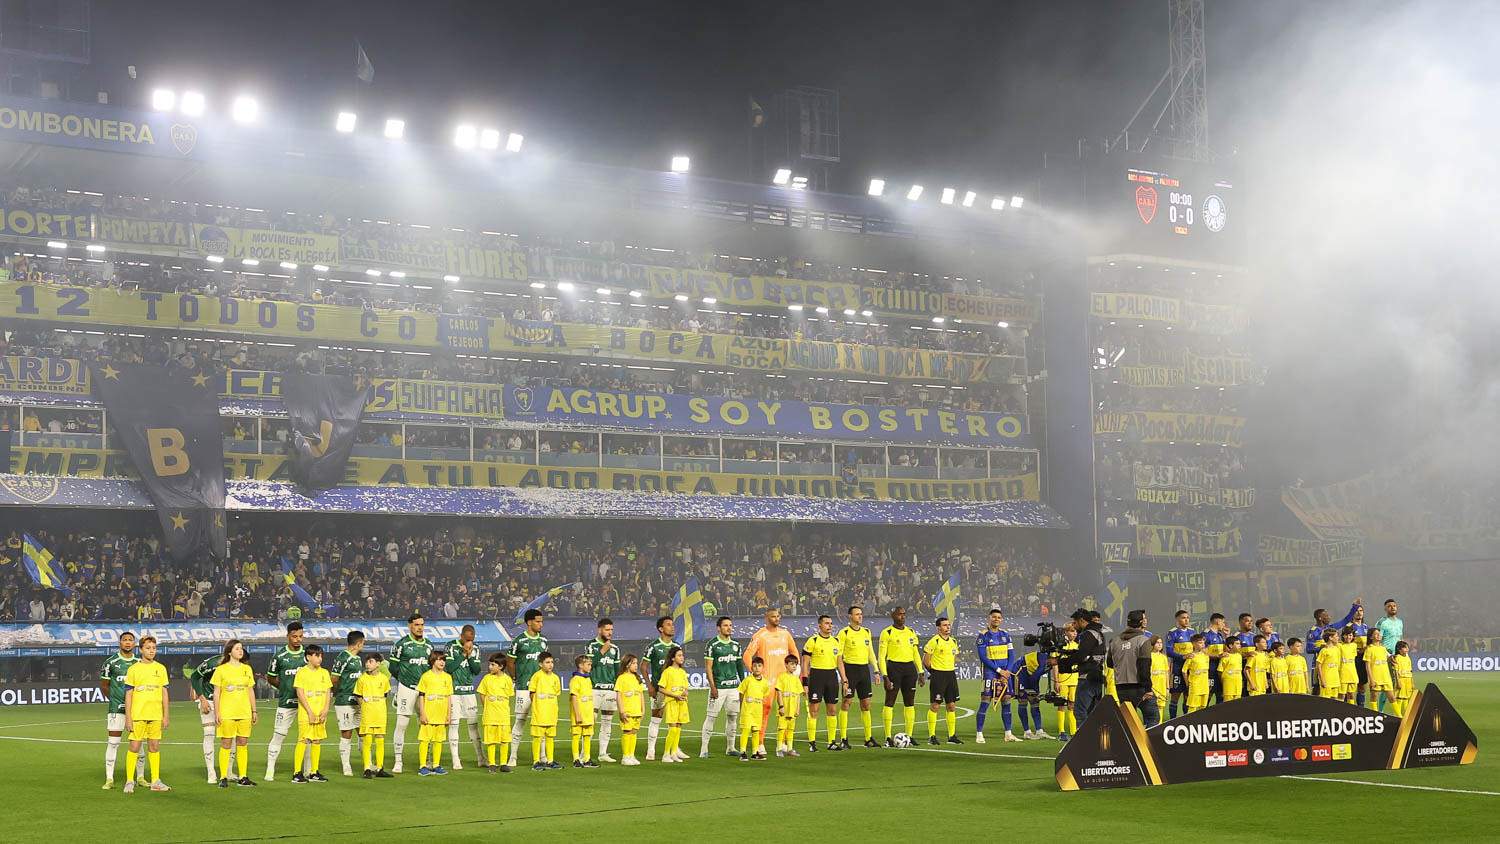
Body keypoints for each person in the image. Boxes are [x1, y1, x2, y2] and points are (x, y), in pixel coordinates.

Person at [743, 608, 798, 755]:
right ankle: (760, 743)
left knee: (786, 711)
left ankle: (784, 743)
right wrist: (754, 672)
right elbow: (747, 655)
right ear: (766, 617)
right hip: (767, 682)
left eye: (778, 616)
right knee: (764, 711)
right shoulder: (760, 635)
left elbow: (794, 653)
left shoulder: (785, 634)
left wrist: (795, 670)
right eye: (773, 616)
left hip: (784, 681)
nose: (777, 618)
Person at [122, 635, 171, 793]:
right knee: (134, 746)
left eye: (154, 648)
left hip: (156, 715)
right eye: (148, 648)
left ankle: (156, 781)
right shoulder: (133, 669)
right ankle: (130, 781)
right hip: (138, 715)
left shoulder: (161, 668)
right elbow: (128, 694)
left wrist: (166, 715)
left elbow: (164, 693)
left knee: (154, 746)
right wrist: (128, 717)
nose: (151, 651)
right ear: (141, 649)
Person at [389, 613, 434, 774]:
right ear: (409, 625)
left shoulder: (429, 645)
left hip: (424, 690)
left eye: (422, 624)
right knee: (402, 724)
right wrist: (402, 681)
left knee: (426, 724)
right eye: (416, 624)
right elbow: (393, 667)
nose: (420, 627)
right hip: (407, 688)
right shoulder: (401, 644)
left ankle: (427, 759)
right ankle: (398, 760)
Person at [210, 638, 257, 787]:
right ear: (229, 652)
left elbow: (250, 690)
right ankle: (223, 776)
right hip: (227, 712)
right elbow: (216, 693)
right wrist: (217, 712)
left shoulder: (247, 669)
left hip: (244, 712)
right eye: (237, 648)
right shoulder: (221, 670)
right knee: (226, 743)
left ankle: (243, 776)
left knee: (243, 743)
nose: (240, 651)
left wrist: (254, 710)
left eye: (241, 648)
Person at [264, 621, 307, 781]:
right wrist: (284, 688)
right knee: (279, 735)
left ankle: (309, 771)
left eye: (301, 636)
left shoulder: (307, 655)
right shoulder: (279, 656)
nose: (298, 639)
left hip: (306, 705)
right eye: (294, 636)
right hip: (286, 703)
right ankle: (270, 769)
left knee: (306, 738)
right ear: (288, 636)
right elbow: (271, 677)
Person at [506, 609, 549, 769]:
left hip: (541, 690)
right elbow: (510, 661)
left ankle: (543, 756)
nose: (541, 624)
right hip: (524, 687)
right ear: (529, 622)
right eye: (538, 621)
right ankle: (513, 756)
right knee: (520, 721)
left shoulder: (544, 640)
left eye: (541, 621)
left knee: (542, 722)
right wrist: (516, 678)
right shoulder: (519, 641)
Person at [877, 606, 924, 746]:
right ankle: (887, 737)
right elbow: (881, 656)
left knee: (910, 703)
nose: (902, 617)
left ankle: (909, 735)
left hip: (909, 669)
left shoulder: (911, 632)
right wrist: (885, 676)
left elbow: (915, 653)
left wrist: (920, 671)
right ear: (893, 615)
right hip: (893, 668)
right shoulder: (887, 632)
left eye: (904, 614)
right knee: (890, 701)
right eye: (899, 614)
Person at [100, 630, 140, 790]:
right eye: (125, 640)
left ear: (135, 644)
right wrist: (115, 700)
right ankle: (109, 778)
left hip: (137, 710)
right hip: (117, 709)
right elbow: (104, 686)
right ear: (120, 643)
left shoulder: (139, 663)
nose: (128, 642)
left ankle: (141, 777)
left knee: (139, 745)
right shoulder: (110, 662)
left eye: (131, 640)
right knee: (113, 742)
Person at [700, 616, 745, 757]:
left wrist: (743, 685)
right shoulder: (712, 645)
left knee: (733, 717)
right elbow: (708, 668)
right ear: (718, 628)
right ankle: (704, 750)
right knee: (711, 717)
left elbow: (739, 667)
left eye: (730, 625)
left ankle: (730, 748)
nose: (729, 628)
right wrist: (712, 687)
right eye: (726, 625)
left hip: (733, 688)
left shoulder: (736, 645)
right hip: (718, 687)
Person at [1107, 609, 1158, 728]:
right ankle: (1147, 745)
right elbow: (1144, 667)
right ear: (1142, 622)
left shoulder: (1114, 641)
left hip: (1120, 688)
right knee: (1152, 717)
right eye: (1144, 619)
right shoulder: (1143, 640)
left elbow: (1110, 663)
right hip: (1139, 687)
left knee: (1128, 721)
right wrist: (1148, 688)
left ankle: (1130, 745)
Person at [803, 614, 846, 752]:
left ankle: (831, 742)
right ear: (820, 625)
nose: (830, 626)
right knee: (814, 709)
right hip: (817, 676)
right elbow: (805, 664)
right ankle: (812, 742)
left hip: (832, 676)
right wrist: (805, 682)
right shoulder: (813, 641)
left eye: (831, 623)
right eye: (827, 623)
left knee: (832, 710)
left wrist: (844, 679)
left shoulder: (836, 641)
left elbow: (840, 662)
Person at [291, 643, 332, 784]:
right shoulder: (302, 672)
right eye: (317, 655)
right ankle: (297, 772)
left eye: (321, 655)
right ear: (309, 657)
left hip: (320, 712)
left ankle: (314, 772)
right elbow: (300, 692)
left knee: (317, 740)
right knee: (303, 739)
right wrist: (309, 711)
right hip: (307, 713)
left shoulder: (324, 673)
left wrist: (326, 709)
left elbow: (328, 691)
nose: (320, 658)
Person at [837, 605, 877, 748]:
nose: (860, 616)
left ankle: (868, 738)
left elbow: (870, 652)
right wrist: (844, 678)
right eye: (857, 614)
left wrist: (876, 671)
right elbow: (839, 656)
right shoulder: (844, 633)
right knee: (847, 703)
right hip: (850, 670)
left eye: (861, 614)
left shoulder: (866, 632)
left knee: (866, 704)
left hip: (864, 670)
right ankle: (843, 738)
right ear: (850, 616)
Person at [445, 624, 485, 769]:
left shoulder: (476, 649)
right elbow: (449, 668)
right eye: (467, 639)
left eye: (472, 639)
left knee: (473, 726)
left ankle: (481, 758)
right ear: (461, 636)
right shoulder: (450, 647)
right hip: (454, 692)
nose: (469, 642)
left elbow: (476, 670)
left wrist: (469, 655)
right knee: (454, 725)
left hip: (469, 692)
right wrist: (462, 654)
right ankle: (456, 760)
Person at [584, 618, 622, 762]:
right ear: (599, 630)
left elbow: (617, 671)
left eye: (611, 630)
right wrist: (602, 651)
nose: (610, 632)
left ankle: (602, 754)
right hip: (594, 689)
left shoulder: (615, 649)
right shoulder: (591, 645)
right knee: (590, 722)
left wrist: (616, 688)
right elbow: (588, 666)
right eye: (607, 629)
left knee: (607, 722)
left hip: (610, 690)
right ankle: (584, 754)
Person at [975, 607, 1014, 744]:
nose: (996, 619)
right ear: (989, 618)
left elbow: (1012, 655)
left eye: (999, 617)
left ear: (1001, 620)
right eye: (994, 617)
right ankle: (979, 733)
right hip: (990, 673)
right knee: (985, 701)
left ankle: (1008, 733)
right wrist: (999, 671)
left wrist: (1007, 672)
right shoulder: (983, 635)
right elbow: (983, 657)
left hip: (1005, 673)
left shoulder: (1006, 635)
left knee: (1007, 701)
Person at [329, 630, 365, 777]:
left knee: (363, 732)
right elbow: (334, 678)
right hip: (344, 701)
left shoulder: (357, 659)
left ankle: (368, 763)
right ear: (359, 643)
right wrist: (338, 693)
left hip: (358, 701)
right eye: (363, 642)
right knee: (347, 733)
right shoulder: (343, 657)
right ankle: (346, 765)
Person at [189, 641, 226, 784]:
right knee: (209, 734)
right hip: (209, 703)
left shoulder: (239, 667)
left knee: (230, 737)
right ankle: (211, 772)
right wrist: (202, 698)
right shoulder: (213, 662)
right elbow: (194, 676)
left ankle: (227, 771)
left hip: (227, 704)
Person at [1306, 600, 1361, 695]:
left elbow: (1345, 620)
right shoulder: (1313, 632)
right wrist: (1323, 647)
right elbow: (1308, 649)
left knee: (1336, 690)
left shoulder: (1330, 628)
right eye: (1326, 616)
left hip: (1333, 664)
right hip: (1320, 663)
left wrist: (1355, 607)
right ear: (1320, 618)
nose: (1329, 617)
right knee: (1317, 687)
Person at [642, 615, 677, 761]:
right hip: (659, 689)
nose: (672, 626)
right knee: (656, 718)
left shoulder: (676, 647)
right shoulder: (653, 647)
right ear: (661, 629)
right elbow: (643, 667)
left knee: (675, 721)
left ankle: (673, 751)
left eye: (672, 624)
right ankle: (651, 750)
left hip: (675, 691)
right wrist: (650, 686)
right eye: (668, 624)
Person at [923, 616, 962, 745]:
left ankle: (952, 736)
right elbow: (926, 661)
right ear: (938, 628)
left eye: (948, 625)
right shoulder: (934, 641)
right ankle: (932, 736)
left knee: (951, 706)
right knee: (935, 705)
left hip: (950, 675)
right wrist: (934, 673)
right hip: (938, 676)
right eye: (945, 625)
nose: (947, 627)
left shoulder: (953, 641)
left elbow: (955, 657)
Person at [353, 652, 393, 778]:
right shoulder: (362, 679)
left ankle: (380, 768)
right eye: (367, 662)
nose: (367, 664)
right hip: (368, 714)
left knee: (380, 738)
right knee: (367, 739)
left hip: (380, 713)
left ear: (378, 664)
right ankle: (367, 768)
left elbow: (385, 695)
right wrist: (364, 707)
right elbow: (358, 696)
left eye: (370, 662)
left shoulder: (384, 679)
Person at [415, 651, 453, 776]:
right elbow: (421, 696)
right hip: (429, 714)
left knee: (439, 740)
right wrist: (422, 713)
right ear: (433, 661)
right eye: (439, 659)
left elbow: (448, 697)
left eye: (443, 660)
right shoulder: (426, 676)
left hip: (441, 714)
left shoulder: (447, 677)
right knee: (425, 740)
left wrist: (449, 715)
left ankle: (436, 765)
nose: (442, 662)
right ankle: (422, 766)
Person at [476, 653, 515, 773]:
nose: (490, 667)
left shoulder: (507, 679)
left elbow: (509, 695)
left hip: (503, 715)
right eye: (490, 664)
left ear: (501, 666)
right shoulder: (487, 678)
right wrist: (487, 706)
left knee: (504, 740)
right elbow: (482, 694)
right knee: (491, 740)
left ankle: (503, 763)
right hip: (490, 715)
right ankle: (492, 763)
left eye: (493, 665)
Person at [527, 650, 563, 770]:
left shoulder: (556, 678)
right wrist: (537, 706)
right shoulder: (537, 676)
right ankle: (536, 761)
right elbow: (532, 693)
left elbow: (556, 693)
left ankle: (550, 760)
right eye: (547, 662)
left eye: (552, 662)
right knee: (537, 737)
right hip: (540, 713)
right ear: (540, 664)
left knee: (550, 737)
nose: (550, 665)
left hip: (551, 713)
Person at [659, 646, 691, 763]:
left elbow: (686, 687)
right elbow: (661, 688)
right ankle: (666, 754)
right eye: (679, 655)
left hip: (682, 703)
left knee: (678, 727)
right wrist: (674, 695)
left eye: (682, 655)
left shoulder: (682, 672)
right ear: (673, 658)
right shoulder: (667, 672)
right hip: (672, 702)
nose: (682, 657)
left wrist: (685, 693)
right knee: (672, 728)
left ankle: (673, 753)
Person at [736, 656, 771, 760]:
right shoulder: (748, 680)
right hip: (747, 710)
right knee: (746, 730)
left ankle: (755, 752)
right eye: (755, 666)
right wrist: (742, 705)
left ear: (763, 668)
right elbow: (741, 692)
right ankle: (742, 752)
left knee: (756, 731)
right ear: (751, 667)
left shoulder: (765, 682)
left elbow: (765, 694)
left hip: (757, 710)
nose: (757, 668)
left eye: (759, 666)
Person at [1164, 610, 1195, 720]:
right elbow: (1169, 651)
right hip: (1177, 668)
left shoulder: (1192, 632)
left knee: (1188, 695)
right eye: (1183, 618)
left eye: (1187, 617)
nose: (1186, 620)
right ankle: (1173, 720)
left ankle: (1186, 720)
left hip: (1190, 669)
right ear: (1177, 619)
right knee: (1175, 696)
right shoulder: (1172, 633)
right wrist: (1183, 656)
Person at [615, 654, 645, 766]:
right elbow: (618, 696)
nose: (636, 665)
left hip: (637, 710)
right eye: (634, 663)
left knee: (634, 732)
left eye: (636, 663)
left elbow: (641, 694)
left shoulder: (637, 678)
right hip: (627, 711)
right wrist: (621, 711)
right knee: (627, 732)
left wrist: (643, 709)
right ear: (627, 664)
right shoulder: (621, 678)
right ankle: (625, 756)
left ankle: (631, 755)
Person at [569, 654, 598, 767]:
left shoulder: (588, 679)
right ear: (581, 665)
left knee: (587, 736)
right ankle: (576, 759)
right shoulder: (575, 680)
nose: (590, 666)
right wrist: (577, 714)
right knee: (576, 735)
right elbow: (574, 697)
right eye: (588, 664)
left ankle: (587, 759)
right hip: (579, 713)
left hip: (588, 713)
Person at [774, 653, 804, 757]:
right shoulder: (782, 677)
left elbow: (798, 695)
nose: (794, 666)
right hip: (784, 708)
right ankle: (779, 748)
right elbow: (779, 692)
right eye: (792, 664)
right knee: (782, 728)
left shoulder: (796, 679)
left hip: (793, 709)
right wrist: (781, 706)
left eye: (795, 664)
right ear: (786, 665)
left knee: (791, 729)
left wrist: (798, 709)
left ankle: (790, 748)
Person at [1052, 625, 1079, 739]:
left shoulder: (1078, 646)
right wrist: (1056, 681)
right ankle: (1061, 732)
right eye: (1072, 631)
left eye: (1075, 631)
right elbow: (1054, 665)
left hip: (1075, 680)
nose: (1075, 633)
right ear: (1066, 632)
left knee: (1072, 705)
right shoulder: (1059, 646)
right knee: (1061, 705)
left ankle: (1073, 731)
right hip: (1062, 679)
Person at [1363, 628, 1393, 712]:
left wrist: (1394, 657)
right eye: (1376, 634)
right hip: (1375, 677)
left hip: (1386, 677)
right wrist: (1371, 680)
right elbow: (1367, 666)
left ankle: (1399, 716)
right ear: (1371, 637)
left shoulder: (1383, 648)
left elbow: (1389, 658)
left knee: (1392, 697)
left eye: (1379, 633)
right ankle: (1375, 714)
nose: (1379, 635)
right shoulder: (1369, 649)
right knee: (1374, 696)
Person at [1202, 613, 1227, 705]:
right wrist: (1216, 656)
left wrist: (1226, 636)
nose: (1224, 625)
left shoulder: (1220, 635)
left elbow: (1226, 650)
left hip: (1220, 669)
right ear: (1217, 621)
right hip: (1210, 669)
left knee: (1220, 694)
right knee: (1209, 693)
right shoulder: (1205, 635)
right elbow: (1202, 653)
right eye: (1223, 622)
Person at [1350, 604, 1372, 707]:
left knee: (1362, 685)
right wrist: (1359, 650)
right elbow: (1346, 644)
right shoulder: (1350, 627)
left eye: (1361, 611)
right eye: (1357, 611)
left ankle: (1361, 708)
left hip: (1364, 659)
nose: (1359, 613)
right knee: (1350, 686)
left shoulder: (1366, 627)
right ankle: (1348, 707)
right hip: (1354, 659)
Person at [1182, 634, 1210, 713]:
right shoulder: (1191, 656)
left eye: (1203, 642)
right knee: (1192, 707)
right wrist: (1188, 684)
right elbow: (1184, 671)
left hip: (1204, 686)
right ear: (1194, 644)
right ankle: (1190, 723)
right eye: (1200, 642)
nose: (1202, 644)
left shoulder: (1206, 656)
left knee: (1204, 707)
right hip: (1195, 685)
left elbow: (1206, 671)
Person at [1316, 629, 1343, 699]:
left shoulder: (1337, 649)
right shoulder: (1324, 651)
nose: (1338, 638)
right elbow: (1318, 666)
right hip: (1327, 681)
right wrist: (1322, 680)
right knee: (1325, 701)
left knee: (1334, 700)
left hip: (1335, 680)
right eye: (1336, 636)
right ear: (1330, 638)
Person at [1148, 637, 1171, 715]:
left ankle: (1160, 725)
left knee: (1161, 707)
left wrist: (1167, 688)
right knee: (1152, 708)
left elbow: (1166, 673)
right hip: (1153, 688)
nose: (1160, 644)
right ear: (1152, 644)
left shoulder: (1163, 657)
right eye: (1157, 642)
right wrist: (1149, 687)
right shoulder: (1149, 656)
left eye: (1161, 643)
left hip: (1162, 688)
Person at [1391, 641, 1414, 716]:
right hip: (1401, 680)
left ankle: (1406, 715)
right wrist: (1398, 682)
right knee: (1400, 698)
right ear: (1399, 649)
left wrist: (1412, 682)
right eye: (1404, 647)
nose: (1407, 649)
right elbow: (1395, 671)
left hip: (1408, 680)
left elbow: (1410, 671)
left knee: (1406, 698)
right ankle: (1398, 715)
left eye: (1407, 647)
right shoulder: (1397, 658)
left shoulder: (1408, 658)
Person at [1218, 637, 1244, 702]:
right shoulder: (1225, 657)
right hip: (1228, 684)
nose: (1239, 645)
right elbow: (1220, 671)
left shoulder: (1239, 656)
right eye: (1237, 644)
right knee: (1228, 703)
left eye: (1240, 643)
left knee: (1237, 703)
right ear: (1231, 645)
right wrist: (1224, 681)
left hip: (1238, 684)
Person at [1338, 626, 1360, 704]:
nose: (1348, 637)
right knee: (1341, 695)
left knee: (1351, 694)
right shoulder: (1339, 646)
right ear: (1343, 636)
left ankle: (1351, 712)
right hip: (1343, 674)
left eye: (1350, 635)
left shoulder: (1354, 646)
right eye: (1346, 635)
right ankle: (1340, 713)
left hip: (1352, 673)